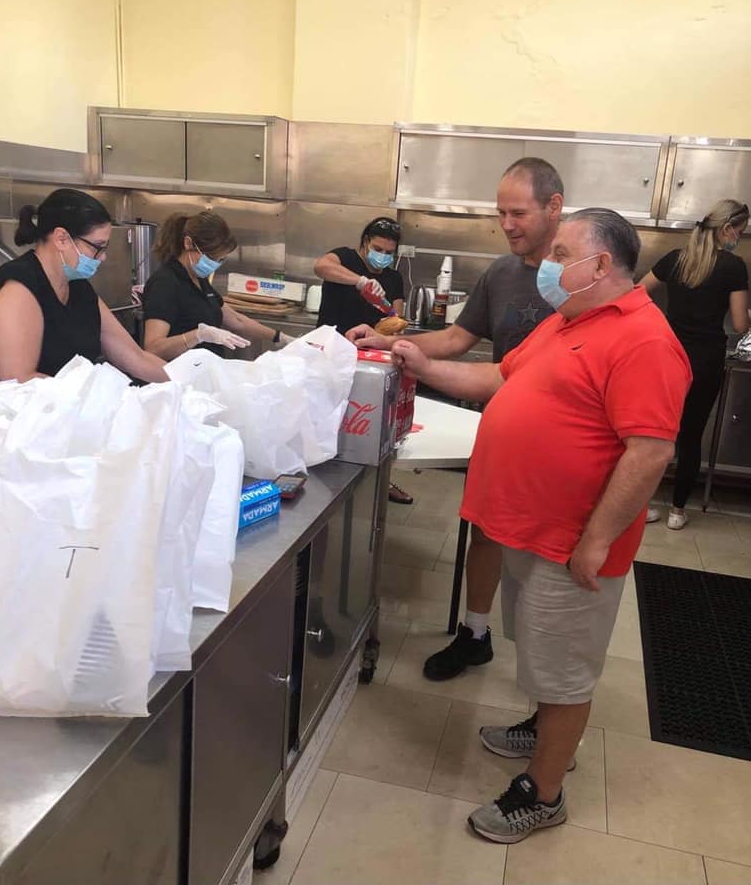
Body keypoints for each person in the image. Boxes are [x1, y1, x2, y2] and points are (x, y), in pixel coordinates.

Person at [391, 208, 691, 844]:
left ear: (600, 265)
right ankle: (544, 730)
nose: (548, 265)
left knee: (565, 669)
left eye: (560, 254)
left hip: (571, 542)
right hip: (528, 529)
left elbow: (650, 452)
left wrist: (597, 540)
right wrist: (423, 365)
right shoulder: (570, 320)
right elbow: (499, 377)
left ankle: (544, 792)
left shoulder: (644, 340)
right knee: (542, 651)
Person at [348, 158, 561, 678]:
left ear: (554, 207)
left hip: (560, 439)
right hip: (503, 427)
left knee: (549, 553)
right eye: (500, 213)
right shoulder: (502, 273)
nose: (507, 224)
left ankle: (549, 676)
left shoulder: (578, 280)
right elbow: (457, 339)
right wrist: (390, 342)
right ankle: (475, 633)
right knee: (486, 531)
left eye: (518, 213)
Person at [640, 199, 749, 529]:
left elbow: (636, 294)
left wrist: (657, 329)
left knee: (655, 434)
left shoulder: (676, 259)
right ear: (727, 229)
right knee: (690, 435)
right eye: (741, 231)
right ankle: (677, 511)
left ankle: (642, 506)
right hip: (706, 362)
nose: (740, 238)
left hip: (668, 357)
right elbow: (739, 324)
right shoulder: (733, 267)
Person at [0, 189, 168, 384]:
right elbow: (18, 380)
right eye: (97, 247)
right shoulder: (19, 289)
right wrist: (93, 394)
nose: (103, 257)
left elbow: (135, 357)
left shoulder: (79, 288)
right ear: (61, 239)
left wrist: (185, 381)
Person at [314, 216, 412, 503]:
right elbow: (321, 266)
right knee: (325, 421)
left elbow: (395, 318)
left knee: (370, 426)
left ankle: (379, 481)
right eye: (378, 249)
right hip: (330, 357)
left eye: (389, 252)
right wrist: (360, 282)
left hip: (369, 365)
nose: (382, 256)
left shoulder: (393, 278)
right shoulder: (345, 258)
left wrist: (388, 325)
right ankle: (320, 474)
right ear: (365, 243)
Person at [142, 211, 295, 361]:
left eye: (220, 260)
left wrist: (279, 337)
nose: (214, 264)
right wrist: (197, 336)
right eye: (211, 257)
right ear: (188, 243)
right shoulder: (165, 283)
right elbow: (153, 349)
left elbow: (236, 320)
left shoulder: (198, 279)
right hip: (180, 373)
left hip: (206, 369)